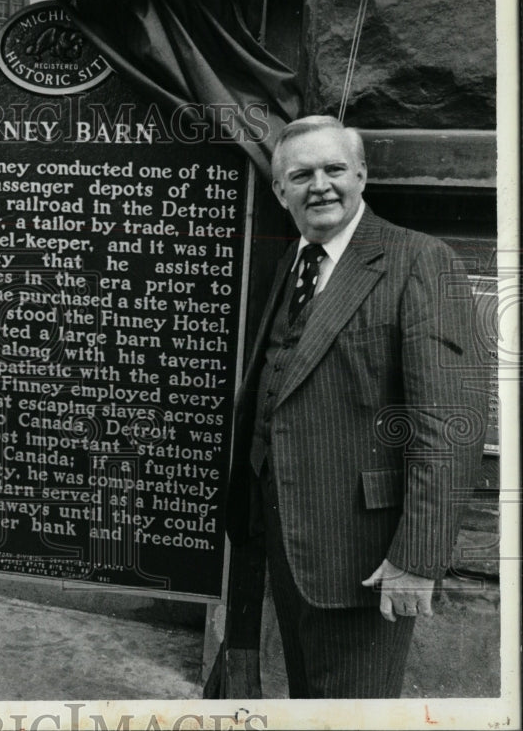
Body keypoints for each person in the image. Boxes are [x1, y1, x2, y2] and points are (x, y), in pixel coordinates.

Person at [225, 115, 486, 698]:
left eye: (334, 169)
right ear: (280, 190)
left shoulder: (418, 259)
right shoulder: (298, 261)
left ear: (361, 175)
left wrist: (416, 558)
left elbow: (449, 424)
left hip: (364, 554)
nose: (319, 185)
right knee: (309, 701)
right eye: (301, 174)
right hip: (289, 541)